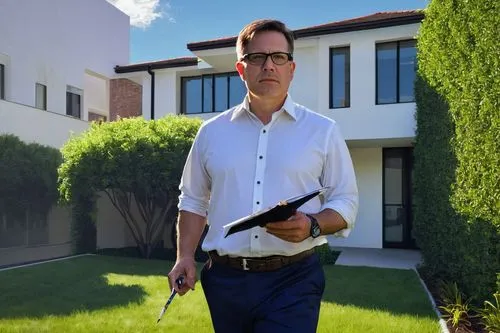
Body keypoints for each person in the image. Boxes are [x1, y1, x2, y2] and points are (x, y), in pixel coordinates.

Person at [167, 19, 358, 333]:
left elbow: (346, 201)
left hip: (293, 280)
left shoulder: (323, 131)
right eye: (257, 57)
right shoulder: (211, 133)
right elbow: (193, 200)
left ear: (291, 68)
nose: (269, 65)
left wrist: (312, 224)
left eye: (278, 57)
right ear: (241, 69)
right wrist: (184, 255)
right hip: (225, 281)